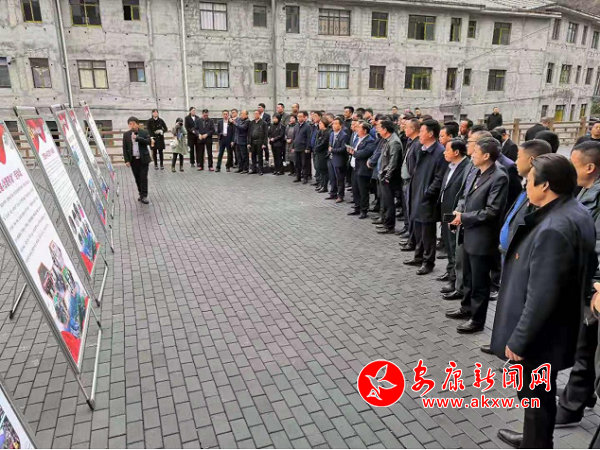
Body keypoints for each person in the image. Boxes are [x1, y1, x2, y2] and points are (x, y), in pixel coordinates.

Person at [492, 154, 596, 449]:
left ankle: (536, 443)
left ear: (546, 185)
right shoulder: (575, 210)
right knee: (539, 394)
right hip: (555, 327)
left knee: (535, 395)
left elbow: (542, 295)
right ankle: (533, 438)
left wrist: (519, 340)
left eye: (529, 181)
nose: (525, 186)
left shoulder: (553, 228)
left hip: (540, 335)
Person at [555, 141, 600, 428]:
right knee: (584, 345)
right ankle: (583, 393)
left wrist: (596, 283)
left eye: (574, 165)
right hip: (584, 278)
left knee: (586, 347)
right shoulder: (584, 189)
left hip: (594, 287)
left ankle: (571, 408)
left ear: (590, 167)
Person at [446, 137, 508, 333]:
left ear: (486, 155)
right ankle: (466, 308)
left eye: (475, 152)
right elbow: (465, 197)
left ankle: (477, 319)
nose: (471, 155)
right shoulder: (475, 171)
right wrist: (459, 212)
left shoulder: (499, 177)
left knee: (480, 282)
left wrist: (464, 217)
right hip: (467, 232)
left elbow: (492, 211)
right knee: (467, 276)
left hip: (482, 237)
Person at [404, 119, 447, 273]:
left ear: (430, 133)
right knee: (417, 228)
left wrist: (428, 193)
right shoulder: (422, 148)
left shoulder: (439, 152)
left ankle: (428, 262)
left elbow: (439, 178)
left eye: (422, 131)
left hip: (427, 198)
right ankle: (418, 256)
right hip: (417, 193)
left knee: (427, 232)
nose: (420, 134)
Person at [437, 139, 470, 295]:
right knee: (448, 245)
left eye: (447, 150)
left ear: (456, 152)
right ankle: (450, 271)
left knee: (454, 246)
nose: (444, 152)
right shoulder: (450, 165)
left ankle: (454, 280)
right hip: (445, 209)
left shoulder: (466, 168)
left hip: (455, 212)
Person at [376, 119, 403, 234]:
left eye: (379, 128)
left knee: (389, 202)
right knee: (385, 201)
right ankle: (386, 222)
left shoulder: (394, 142)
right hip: (384, 175)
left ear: (385, 129)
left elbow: (393, 162)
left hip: (389, 178)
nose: (377, 130)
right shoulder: (387, 140)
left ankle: (389, 226)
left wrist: (387, 176)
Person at [399, 118, 421, 251]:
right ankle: (410, 237)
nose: (403, 128)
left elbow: (415, 167)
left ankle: (413, 240)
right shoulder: (411, 142)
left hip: (411, 182)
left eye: (406, 126)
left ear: (413, 129)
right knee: (408, 211)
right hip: (406, 181)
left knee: (412, 212)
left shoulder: (417, 144)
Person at [348, 122, 375, 218]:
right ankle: (357, 207)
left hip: (363, 169)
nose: (357, 129)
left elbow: (364, 153)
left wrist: (354, 153)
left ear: (365, 130)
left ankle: (364, 209)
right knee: (355, 190)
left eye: (359, 128)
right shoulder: (357, 139)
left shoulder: (370, 141)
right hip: (354, 168)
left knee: (363, 191)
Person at [123, 117, 152, 204]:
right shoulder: (126, 134)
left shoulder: (144, 132)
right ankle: (141, 193)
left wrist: (138, 138)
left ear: (137, 124)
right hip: (133, 160)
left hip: (143, 159)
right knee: (137, 178)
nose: (132, 125)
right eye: (130, 124)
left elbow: (148, 141)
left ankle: (144, 195)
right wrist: (127, 160)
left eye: (133, 123)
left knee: (143, 177)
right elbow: (125, 148)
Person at [326, 117, 350, 202]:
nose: (334, 125)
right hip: (331, 158)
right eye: (333, 123)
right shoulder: (332, 134)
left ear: (341, 125)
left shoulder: (344, 135)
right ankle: (333, 193)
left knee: (340, 178)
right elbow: (330, 144)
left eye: (336, 124)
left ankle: (340, 195)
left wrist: (332, 150)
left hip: (339, 159)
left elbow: (343, 148)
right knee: (332, 177)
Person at [293, 111, 312, 184]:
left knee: (304, 164)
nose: (299, 118)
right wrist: (293, 146)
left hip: (303, 148)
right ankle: (298, 177)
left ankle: (305, 177)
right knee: (297, 163)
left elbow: (309, 138)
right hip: (297, 147)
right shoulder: (296, 126)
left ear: (304, 118)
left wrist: (307, 148)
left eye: (301, 116)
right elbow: (294, 137)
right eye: (298, 116)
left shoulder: (307, 126)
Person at [313, 117, 332, 193]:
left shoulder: (327, 133)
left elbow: (323, 143)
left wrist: (316, 148)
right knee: (319, 169)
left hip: (323, 153)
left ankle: (324, 186)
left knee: (324, 170)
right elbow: (317, 141)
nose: (319, 125)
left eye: (321, 123)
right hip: (318, 153)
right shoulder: (320, 131)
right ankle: (321, 184)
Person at [248, 110, 268, 175]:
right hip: (253, 142)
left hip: (260, 142)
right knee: (253, 156)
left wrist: (264, 143)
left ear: (259, 115)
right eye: (254, 114)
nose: (255, 115)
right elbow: (249, 133)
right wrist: (249, 143)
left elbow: (266, 134)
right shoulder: (252, 123)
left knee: (260, 156)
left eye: (257, 114)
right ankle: (253, 169)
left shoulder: (263, 123)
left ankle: (260, 170)